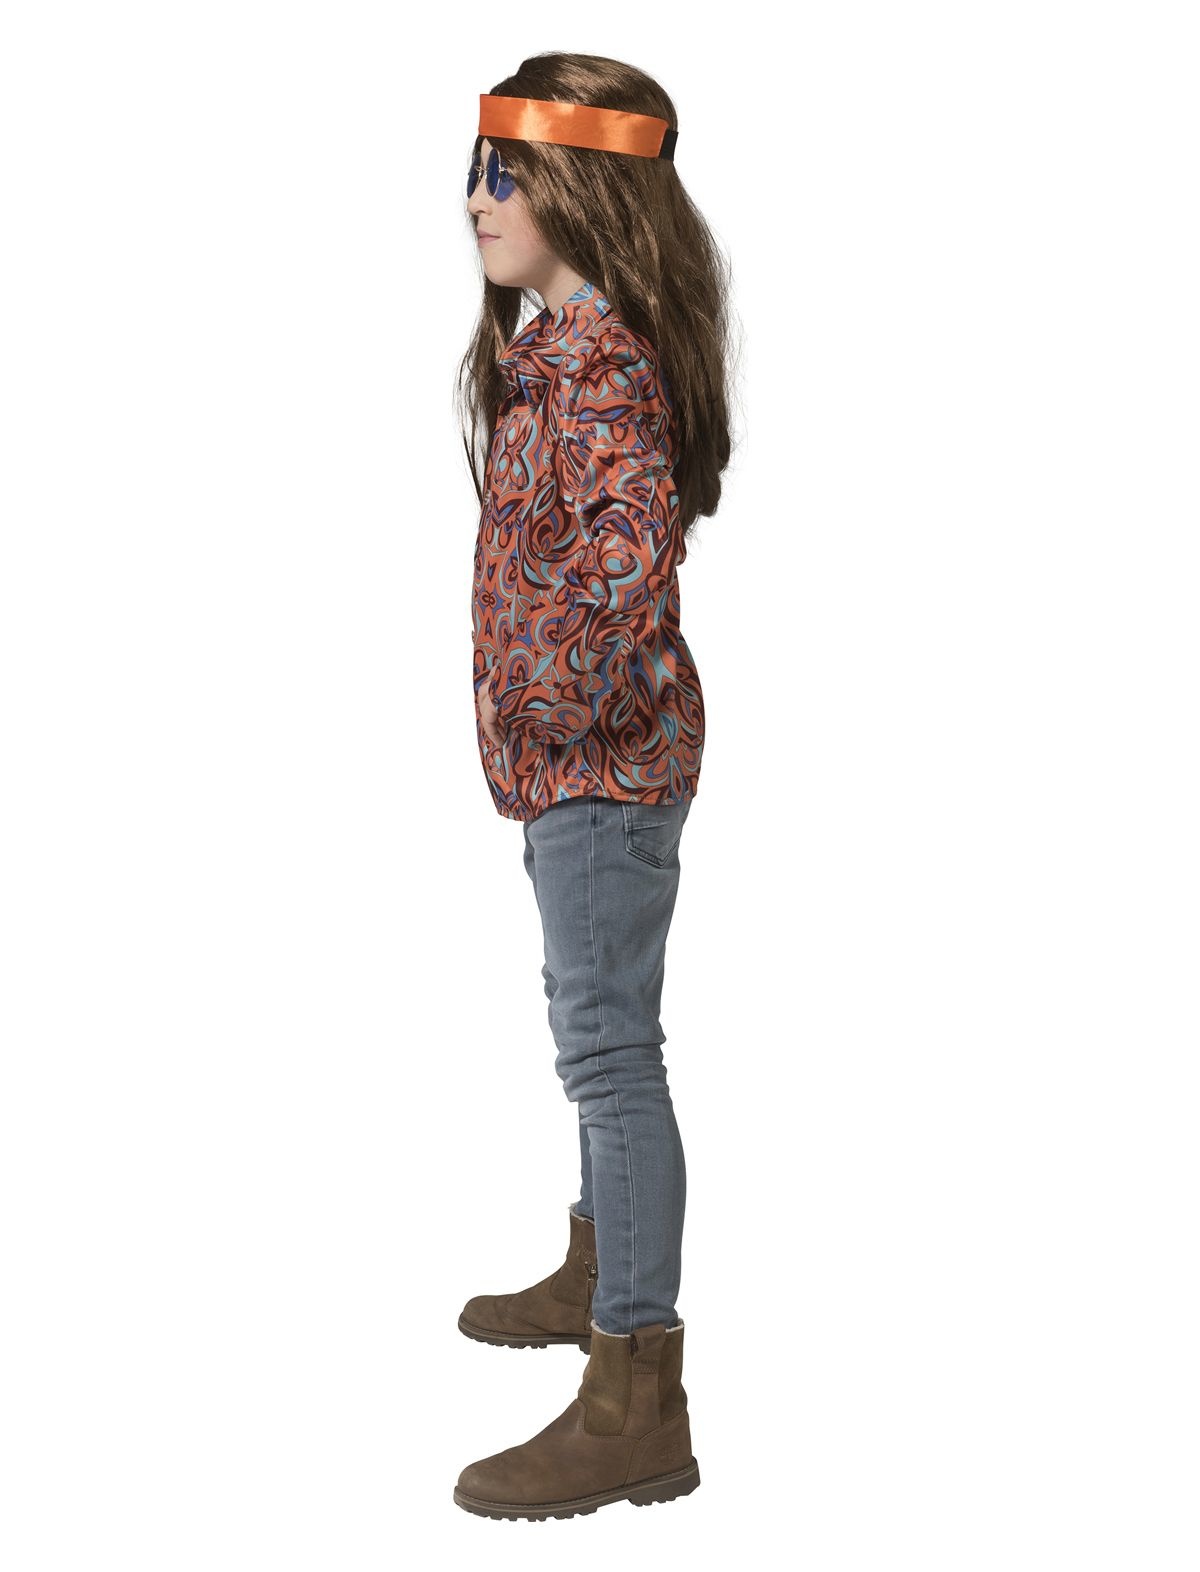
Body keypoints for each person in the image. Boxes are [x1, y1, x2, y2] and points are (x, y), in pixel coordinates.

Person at [452, 53, 733, 1521]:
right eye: (475, 171)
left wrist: (536, 703)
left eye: (509, 173)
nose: (478, 199)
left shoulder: (605, 365)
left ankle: (638, 1391)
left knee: (612, 1054)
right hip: (566, 771)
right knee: (591, 1033)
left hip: (605, 774)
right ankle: (596, 1262)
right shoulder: (549, 352)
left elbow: (625, 579)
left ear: (586, 189)